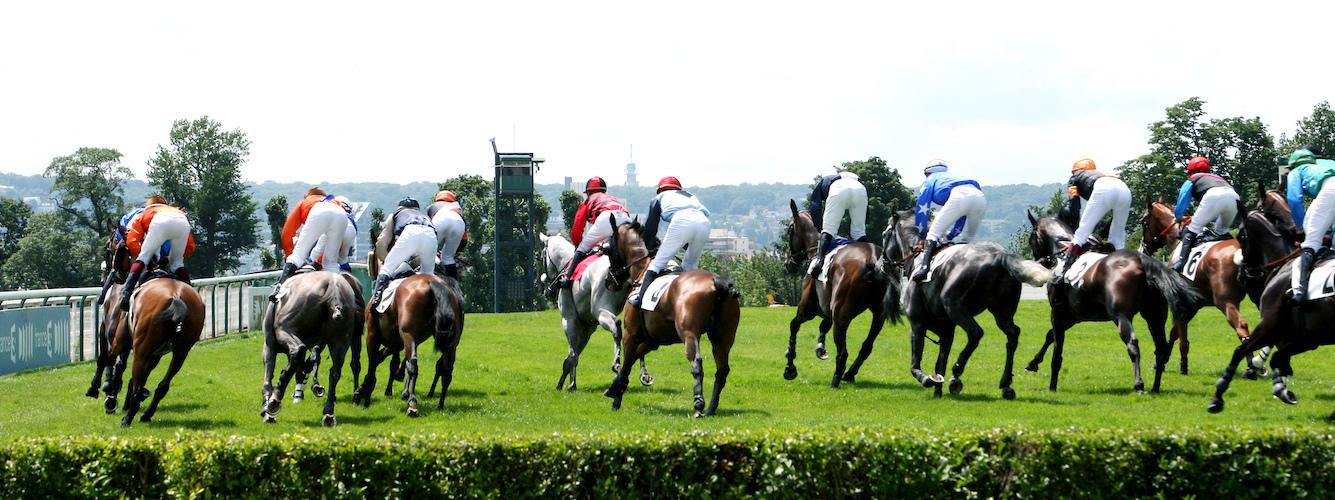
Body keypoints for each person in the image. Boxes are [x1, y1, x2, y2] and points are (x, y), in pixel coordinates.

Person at [630, 176, 711, 306]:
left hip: (682, 219)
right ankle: (697, 300)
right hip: (704, 222)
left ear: (660, 190)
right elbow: (689, 234)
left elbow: (650, 228)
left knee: (657, 264)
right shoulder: (690, 196)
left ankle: (639, 298)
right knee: (690, 265)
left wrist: (650, 247)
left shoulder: (659, 197)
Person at [1054, 158, 1132, 284]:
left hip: (1104, 189)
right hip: (1124, 189)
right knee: (1117, 239)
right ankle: (1124, 273)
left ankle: (1063, 274)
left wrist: (1076, 229)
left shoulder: (1075, 177)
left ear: (1075, 170)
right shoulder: (1101, 173)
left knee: (1080, 236)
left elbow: (1074, 205)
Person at [548, 176, 629, 296]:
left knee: (582, 248)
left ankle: (567, 279)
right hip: (626, 219)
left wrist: (578, 247)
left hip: (607, 218)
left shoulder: (588, 201)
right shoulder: (614, 199)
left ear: (589, 192)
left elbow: (577, 230)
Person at [118, 196, 196, 311]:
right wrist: (170, 258)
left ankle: (126, 293)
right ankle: (191, 296)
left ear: (148, 206)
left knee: (143, 258)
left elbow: (132, 241)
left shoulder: (143, 214)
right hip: (182, 222)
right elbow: (190, 247)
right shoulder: (177, 212)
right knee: (177, 264)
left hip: (160, 222)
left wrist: (146, 259)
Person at [911, 159, 985, 281]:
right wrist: (949, 237)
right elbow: (962, 215)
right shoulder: (953, 178)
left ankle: (924, 269)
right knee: (967, 240)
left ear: (928, 173)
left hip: (960, 195)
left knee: (933, 233)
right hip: (980, 197)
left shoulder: (930, 180)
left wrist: (922, 236)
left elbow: (921, 207)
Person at [272, 187, 349, 301]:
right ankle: (340, 297)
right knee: (330, 263)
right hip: (341, 214)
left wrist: (290, 257)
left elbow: (287, 233)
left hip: (320, 211)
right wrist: (318, 262)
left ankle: (280, 288)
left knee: (297, 255)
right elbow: (331, 243)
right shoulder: (334, 201)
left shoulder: (304, 202)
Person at [1171, 156, 1241, 272]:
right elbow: (1215, 213)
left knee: (1193, 229)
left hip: (1213, 196)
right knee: (1221, 231)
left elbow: (1182, 202)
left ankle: (1180, 264)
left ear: (1191, 171)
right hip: (1235, 198)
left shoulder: (1192, 179)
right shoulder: (1218, 177)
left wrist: (1178, 217)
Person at [1285, 149, 1335, 301]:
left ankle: (1300, 291)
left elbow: (1294, 200)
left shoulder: (1296, 171)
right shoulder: (1328, 164)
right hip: (1330, 189)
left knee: (1311, 242)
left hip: (1331, 189)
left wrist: (1300, 229)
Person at [368, 197, 437, 308]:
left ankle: (376, 299)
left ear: (400, 207)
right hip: (431, 235)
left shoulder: (396, 214)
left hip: (411, 232)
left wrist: (385, 259)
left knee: (387, 268)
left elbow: (382, 241)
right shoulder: (425, 216)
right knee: (428, 276)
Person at [807, 169, 870, 277]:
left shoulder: (825, 180)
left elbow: (815, 206)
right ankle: (870, 261)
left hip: (838, 189)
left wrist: (820, 228)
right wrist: (861, 225)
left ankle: (819, 262)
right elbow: (867, 211)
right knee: (859, 233)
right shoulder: (856, 179)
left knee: (829, 230)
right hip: (861, 190)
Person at [310, 195, 358, 272]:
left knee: (317, 252)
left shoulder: (332, 210)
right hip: (352, 230)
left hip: (336, 225)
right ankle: (349, 276)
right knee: (343, 259)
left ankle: (306, 268)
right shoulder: (350, 217)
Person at [427, 190, 468, 279]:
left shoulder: (432, 207)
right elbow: (464, 237)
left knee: (427, 252)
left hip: (440, 221)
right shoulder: (458, 209)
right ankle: (454, 283)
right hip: (458, 223)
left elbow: (428, 228)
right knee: (448, 258)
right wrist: (456, 250)